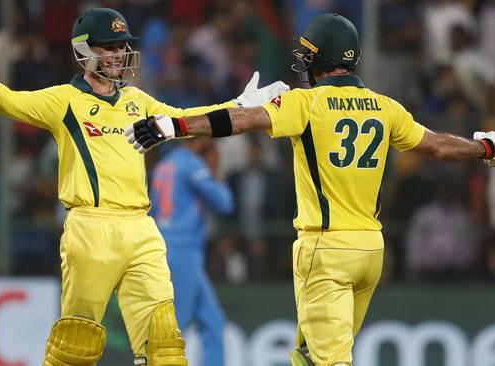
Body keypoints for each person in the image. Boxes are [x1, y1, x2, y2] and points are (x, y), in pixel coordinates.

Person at [126, 12, 495, 366]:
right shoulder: (386, 107)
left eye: (308, 52)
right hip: (370, 250)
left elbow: (242, 121)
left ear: (321, 56)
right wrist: (484, 148)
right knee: (308, 355)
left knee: (330, 360)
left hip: (326, 248)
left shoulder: (308, 102)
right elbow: (438, 146)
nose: (302, 59)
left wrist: (175, 126)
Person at [0, 8, 287, 365]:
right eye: (109, 47)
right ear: (85, 51)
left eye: (122, 46)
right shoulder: (64, 101)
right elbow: (9, 101)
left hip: (141, 230)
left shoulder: (138, 101)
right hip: (90, 229)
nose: (119, 54)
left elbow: (184, 118)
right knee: (76, 346)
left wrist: (240, 106)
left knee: (163, 342)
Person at [150, 137, 233, 366]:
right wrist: (216, 168)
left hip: (163, 244)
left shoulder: (165, 164)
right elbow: (225, 203)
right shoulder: (193, 165)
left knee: (212, 321)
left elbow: (151, 210)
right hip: (183, 249)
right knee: (177, 323)